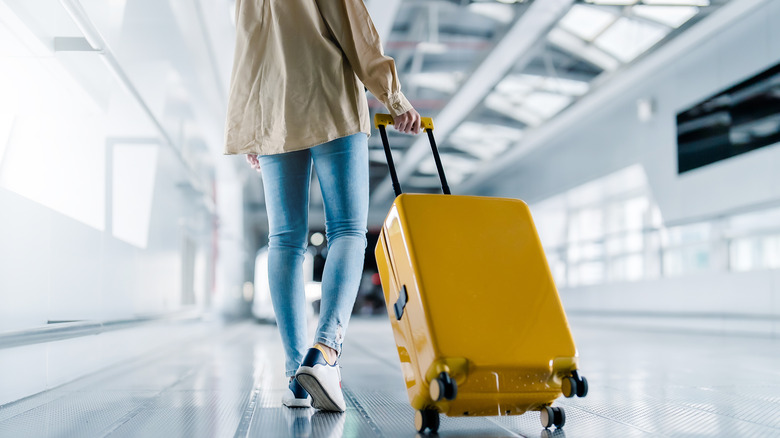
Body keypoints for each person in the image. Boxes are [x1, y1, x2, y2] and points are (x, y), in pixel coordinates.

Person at [223, 0, 420, 412]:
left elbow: (247, 48)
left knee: (285, 241)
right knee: (348, 230)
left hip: (273, 110)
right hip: (331, 99)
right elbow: (357, 31)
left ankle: (297, 376)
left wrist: (251, 128)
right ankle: (326, 351)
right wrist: (394, 97)